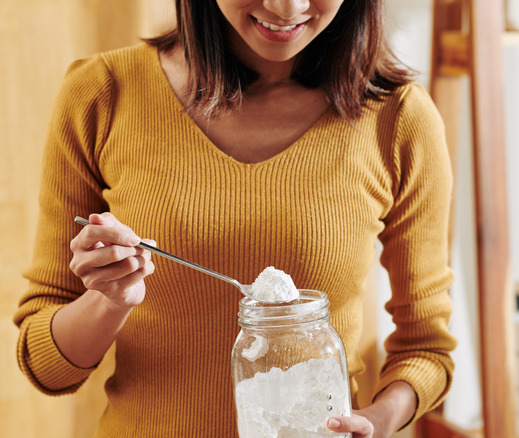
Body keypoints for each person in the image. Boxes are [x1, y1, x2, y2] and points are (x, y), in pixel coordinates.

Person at [13, 0, 456, 436]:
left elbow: (425, 347)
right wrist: (110, 301)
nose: (287, 7)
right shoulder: (103, 93)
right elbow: (47, 368)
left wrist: (378, 420)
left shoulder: (401, 119)